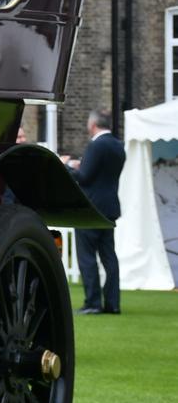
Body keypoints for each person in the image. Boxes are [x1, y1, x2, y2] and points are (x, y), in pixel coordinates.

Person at [62, 108, 125, 315]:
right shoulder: (118, 146)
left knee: (87, 257)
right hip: (110, 207)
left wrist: (66, 166)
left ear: (92, 125)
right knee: (109, 256)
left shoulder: (96, 145)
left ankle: (93, 303)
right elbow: (101, 175)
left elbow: (85, 178)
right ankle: (113, 303)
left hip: (91, 208)